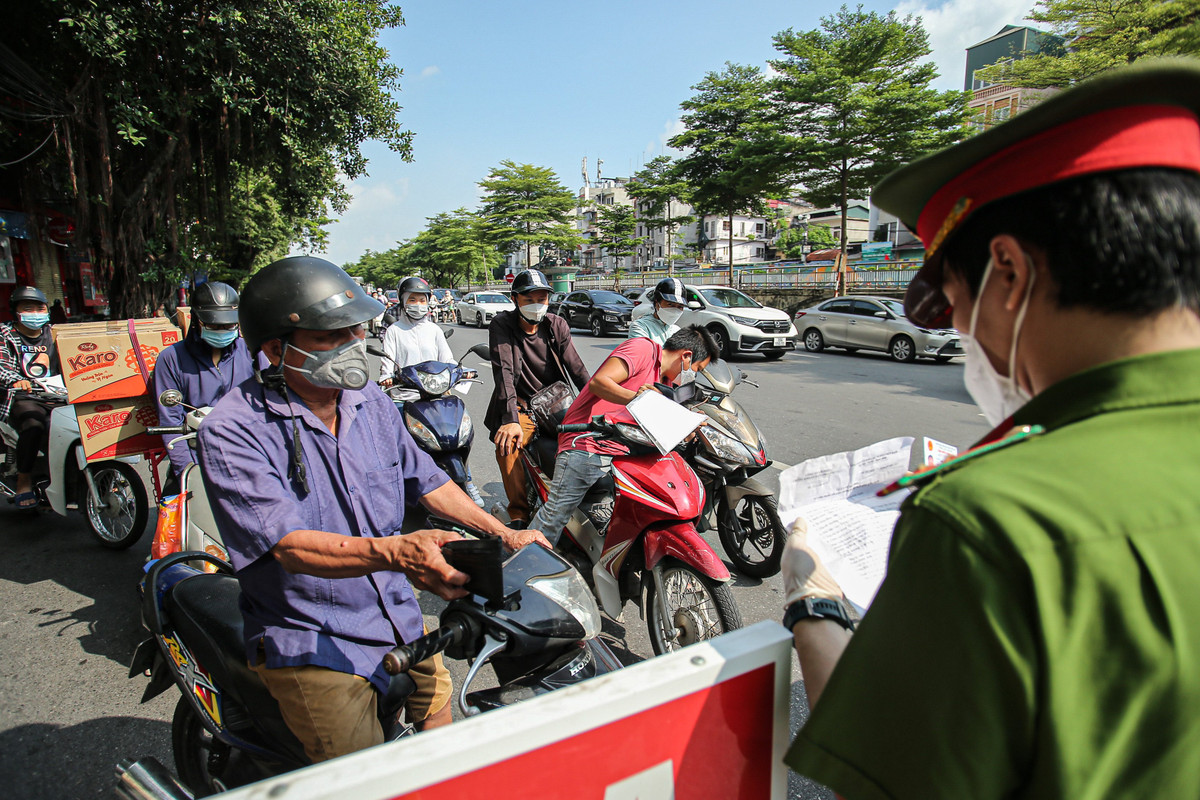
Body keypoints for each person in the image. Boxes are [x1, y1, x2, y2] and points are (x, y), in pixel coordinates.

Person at [781, 59, 1200, 799]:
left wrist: (813, 602)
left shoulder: (988, 516)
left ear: (1008, 272)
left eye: (954, 301)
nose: (967, 334)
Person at [197, 256, 547, 765]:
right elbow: (288, 546)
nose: (353, 346)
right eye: (331, 336)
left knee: (442, 714)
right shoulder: (233, 430)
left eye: (356, 330)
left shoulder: (368, 400)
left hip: (395, 612)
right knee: (363, 775)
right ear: (276, 349)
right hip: (311, 634)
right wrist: (399, 553)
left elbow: (427, 481)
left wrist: (503, 532)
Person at [531, 325, 717, 543]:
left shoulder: (666, 383)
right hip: (588, 441)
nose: (693, 375)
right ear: (686, 356)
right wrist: (636, 397)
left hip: (627, 450)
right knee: (556, 514)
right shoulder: (643, 350)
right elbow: (600, 383)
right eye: (696, 368)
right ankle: (526, 560)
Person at [484, 268, 590, 529]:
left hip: (558, 404)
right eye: (529, 299)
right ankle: (518, 513)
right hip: (523, 407)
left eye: (541, 298)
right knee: (507, 445)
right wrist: (510, 420)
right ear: (515, 299)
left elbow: (577, 369)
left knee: (597, 440)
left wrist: (598, 403)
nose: (536, 304)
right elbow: (504, 373)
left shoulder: (556, 325)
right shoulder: (502, 325)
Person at [379, 275, 485, 506]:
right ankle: (396, 488)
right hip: (406, 395)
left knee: (458, 434)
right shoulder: (394, 331)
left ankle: (467, 479)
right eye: (412, 299)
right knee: (394, 442)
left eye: (422, 299)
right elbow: (388, 364)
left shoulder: (434, 329)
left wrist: (461, 371)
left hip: (437, 393)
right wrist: (386, 377)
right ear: (403, 301)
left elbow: (446, 359)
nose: (418, 304)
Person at [153, 282, 256, 489]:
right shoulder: (171, 359)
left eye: (229, 326)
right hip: (198, 455)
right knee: (176, 515)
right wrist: (187, 471)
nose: (222, 331)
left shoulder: (251, 352)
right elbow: (171, 422)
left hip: (248, 456)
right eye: (214, 326)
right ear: (196, 322)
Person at [0, 287, 59, 509]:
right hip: (22, 396)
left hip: (56, 396)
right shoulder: (5, 334)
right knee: (34, 424)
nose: (35, 313)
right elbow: (2, 365)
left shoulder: (54, 333)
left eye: (39, 308)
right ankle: (24, 480)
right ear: (16, 312)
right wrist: (16, 379)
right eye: (28, 308)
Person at [628, 277, 687, 345]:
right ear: (657, 304)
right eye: (670, 304)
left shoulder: (677, 331)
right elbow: (643, 353)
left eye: (680, 306)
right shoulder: (640, 327)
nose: (675, 310)